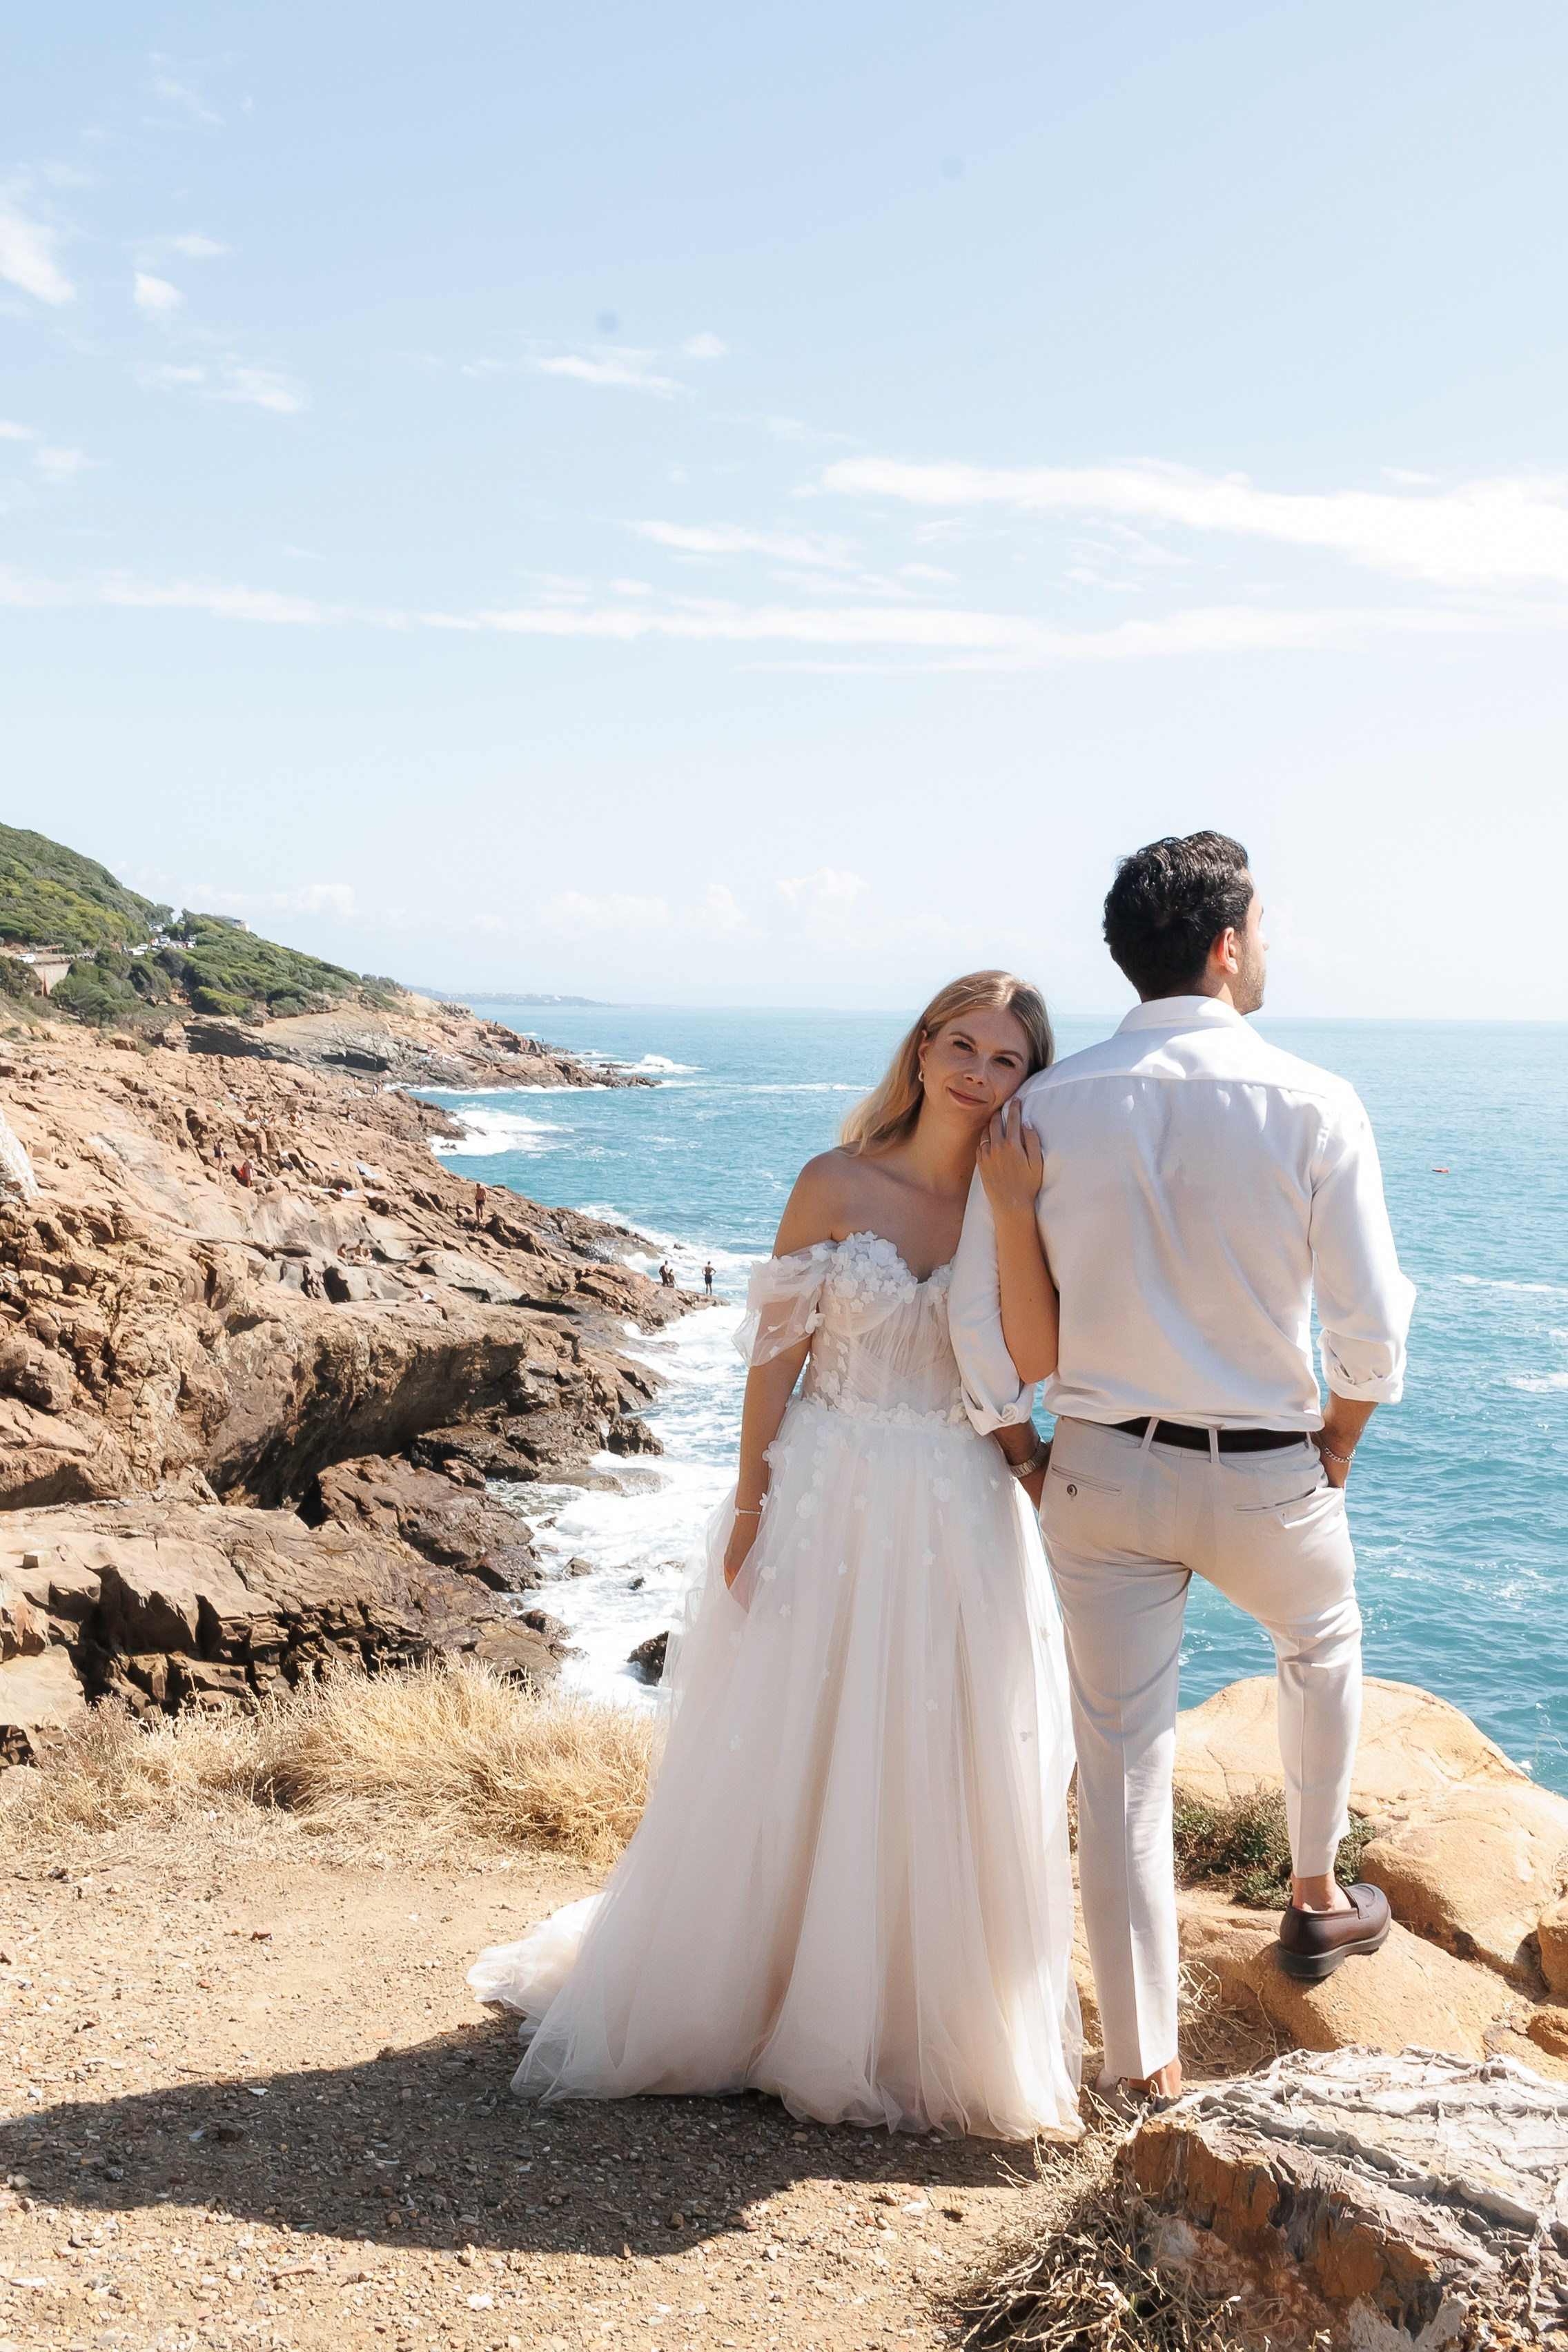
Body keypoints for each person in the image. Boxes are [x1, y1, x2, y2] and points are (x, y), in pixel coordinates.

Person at [469, 972, 1081, 2138]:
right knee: (794, 1736)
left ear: (1028, 1081)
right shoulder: (834, 1181)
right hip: (827, 1485)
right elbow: (773, 1361)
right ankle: (753, 1996)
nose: (978, 1073)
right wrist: (748, 1506)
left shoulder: (1025, 1201)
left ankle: (907, 2023)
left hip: (960, 1502)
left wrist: (1014, 1220)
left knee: (932, 1746)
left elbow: (1031, 1364)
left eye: (1007, 1061)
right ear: (921, 1048)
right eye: (962, 1044)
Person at [948, 833, 1415, 2106]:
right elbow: (1370, 1328)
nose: (1268, 946)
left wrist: (1019, 1444)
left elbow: (982, 1316)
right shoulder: (1316, 1100)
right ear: (1225, 944)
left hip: (1098, 1471)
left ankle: (1141, 2069)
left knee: (1121, 1767)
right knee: (1320, 1642)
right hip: (1268, 1467)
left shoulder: (1041, 1105)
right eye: (1262, 925)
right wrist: (1340, 1441)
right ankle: (1316, 1890)